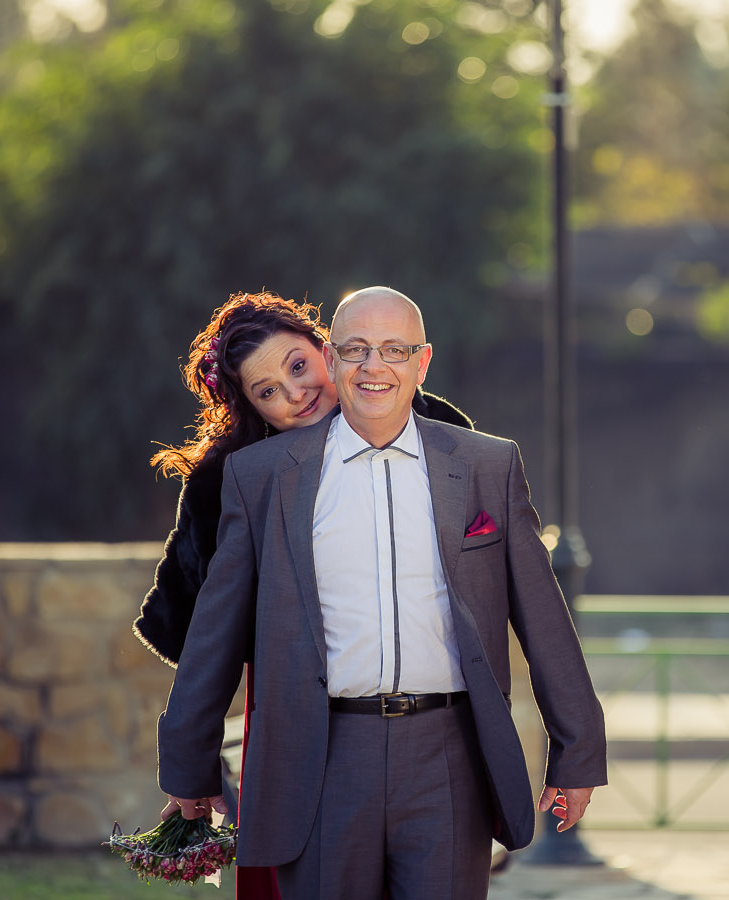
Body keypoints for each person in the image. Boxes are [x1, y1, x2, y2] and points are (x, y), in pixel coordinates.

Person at [156, 286, 607, 900]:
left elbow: (542, 614)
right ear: (337, 357)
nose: (373, 367)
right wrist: (189, 761)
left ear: (421, 363)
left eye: (394, 351)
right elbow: (214, 628)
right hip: (321, 757)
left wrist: (577, 749)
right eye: (358, 351)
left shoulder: (482, 464)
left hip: (449, 756)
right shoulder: (257, 477)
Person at [134, 290, 473, 899]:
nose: (295, 394)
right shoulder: (234, 477)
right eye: (267, 392)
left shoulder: (439, 431)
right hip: (298, 714)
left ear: (324, 348)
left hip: (428, 727)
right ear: (253, 409)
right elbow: (202, 633)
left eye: (297, 366)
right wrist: (192, 761)